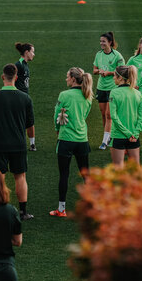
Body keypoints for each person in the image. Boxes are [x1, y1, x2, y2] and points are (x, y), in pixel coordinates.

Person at [0, 63, 35, 220]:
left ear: (2, 77)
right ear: (16, 77)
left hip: (0, 143)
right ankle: (23, 211)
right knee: (20, 177)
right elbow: (29, 122)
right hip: (19, 143)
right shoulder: (25, 98)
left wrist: (0, 125)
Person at [51, 67, 92, 217]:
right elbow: (85, 115)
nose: (66, 79)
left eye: (67, 77)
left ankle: (61, 209)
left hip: (66, 139)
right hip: (82, 139)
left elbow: (57, 115)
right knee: (85, 174)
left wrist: (57, 129)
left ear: (73, 79)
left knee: (64, 174)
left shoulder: (64, 95)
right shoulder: (87, 95)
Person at [93, 32, 124, 150]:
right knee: (103, 114)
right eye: (100, 41)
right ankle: (108, 135)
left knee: (109, 115)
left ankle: (105, 141)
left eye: (103, 41)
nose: (101, 43)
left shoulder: (117, 55)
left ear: (110, 42)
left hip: (113, 88)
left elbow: (122, 71)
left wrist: (109, 73)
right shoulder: (98, 54)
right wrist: (99, 71)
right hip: (101, 87)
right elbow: (94, 70)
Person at [109, 65, 142, 168]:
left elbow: (114, 116)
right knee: (135, 169)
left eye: (115, 75)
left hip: (118, 136)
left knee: (118, 169)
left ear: (120, 77)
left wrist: (127, 134)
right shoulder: (138, 93)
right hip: (134, 137)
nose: (113, 77)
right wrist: (135, 133)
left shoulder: (114, 92)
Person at [14, 42, 36, 151]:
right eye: (32, 52)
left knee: (30, 120)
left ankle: (32, 144)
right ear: (26, 52)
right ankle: (20, 142)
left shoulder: (25, 65)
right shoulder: (19, 65)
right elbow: (11, 79)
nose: (34, 54)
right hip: (19, 98)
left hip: (25, 97)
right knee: (20, 121)